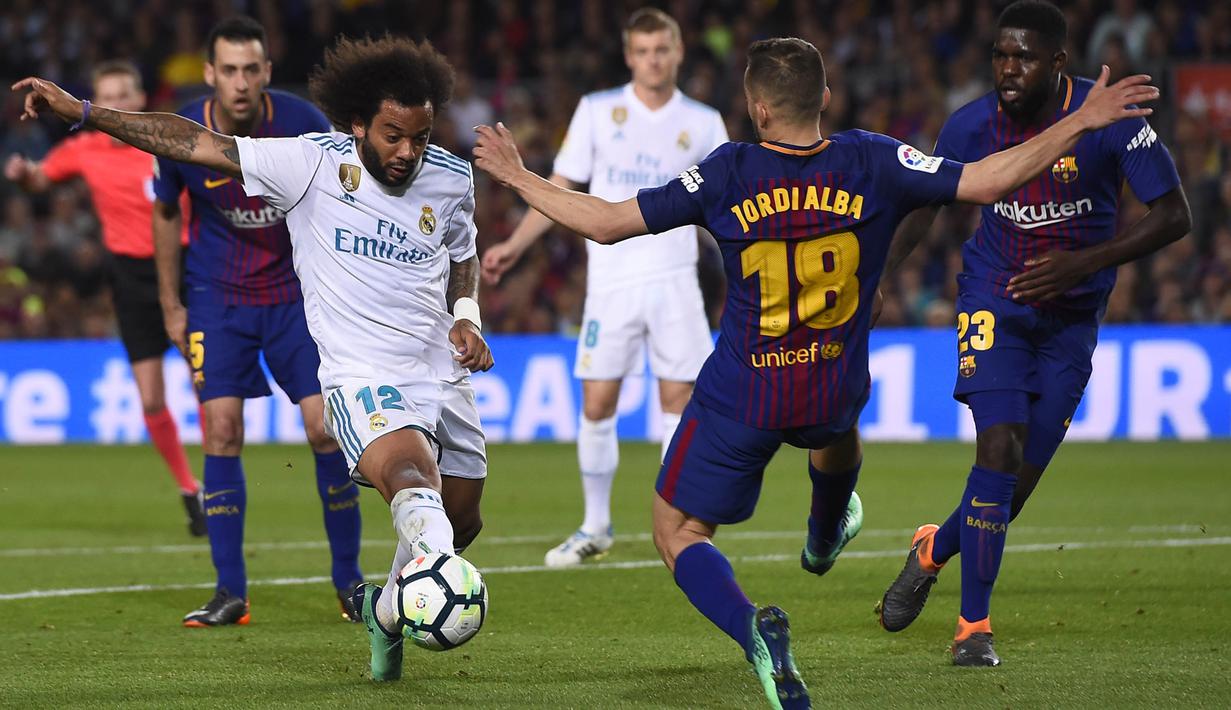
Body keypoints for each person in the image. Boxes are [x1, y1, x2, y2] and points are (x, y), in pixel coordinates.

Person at [470, 35, 1158, 708]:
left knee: (676, 530)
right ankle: (825, 532)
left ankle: (751, 630)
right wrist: (1082, 120)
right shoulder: (873, 159)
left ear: (756, 107)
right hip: (831, 381)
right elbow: (986, 179)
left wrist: (515, 175)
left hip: (745, 391)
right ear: (825, 97)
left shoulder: (726, 171)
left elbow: (606, 222)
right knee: (836, 432)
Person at [11, 33, 493, 682]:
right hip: (359, 377)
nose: (407, 151)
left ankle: (385, 609)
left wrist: (465, 315)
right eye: (391, 135)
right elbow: (189, 141)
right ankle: (244, 586)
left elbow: (462, 253)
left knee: (460, 525)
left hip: (441, 375)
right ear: (356, 125)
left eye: (419, 135)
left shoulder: (450, 176)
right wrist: (87, 113)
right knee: (411, 480)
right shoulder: (310, 162)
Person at [876, 0, 1190, 667]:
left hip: (1072, 317)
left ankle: (933, 548)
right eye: (998, 54)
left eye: (1021, 56)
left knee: (1010, 488)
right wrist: (877, 279)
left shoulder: (1107, 122)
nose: (1007, 68)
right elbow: (926, 207)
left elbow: (1173, 215)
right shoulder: (968, 127)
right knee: (997, 446)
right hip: (995, 296)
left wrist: (1083, 262)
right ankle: (972, 628)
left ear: (1057, 62)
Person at [481, 8, 728, 568]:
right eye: (643, 51)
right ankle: (595, 525)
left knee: (677, 402)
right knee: (597, 402)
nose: (653, 60)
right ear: (628, 55)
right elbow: (563, 187)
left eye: (662, 50)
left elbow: (722, 206)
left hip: (674, 278)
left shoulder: (706, 122)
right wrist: (516, 246)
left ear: (679, 51)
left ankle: (681, 522)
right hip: (612, 278)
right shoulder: (598, 111)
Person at [149, 16, 363, 627]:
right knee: (220, 431)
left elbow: (342, 202)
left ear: (266, 72)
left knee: (325, 429)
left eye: (252, 70)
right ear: (210, 73)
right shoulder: (185, 131)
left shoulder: (302, 124)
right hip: (216, 297)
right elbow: (166, 212)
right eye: (229, 70)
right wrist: (170, 303)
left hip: (296, 298)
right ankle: (230, 592)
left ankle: (349, 582)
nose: (240, 83)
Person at [3, 60, 206, 536]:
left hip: (184, 268)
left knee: (209, 383)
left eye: (123, 94)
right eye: (105, 95)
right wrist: (22, 174)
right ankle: (187, 488)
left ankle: (221, 484)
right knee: (151, 398)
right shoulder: (85, 149)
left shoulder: (170, 141)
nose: (113, 103)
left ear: (140, 101)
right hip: (130, 278)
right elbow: (41, 179)